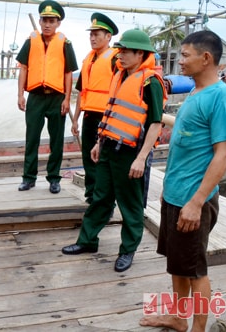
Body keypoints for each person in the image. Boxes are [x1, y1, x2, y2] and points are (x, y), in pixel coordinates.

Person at [140, 30, 226, 332]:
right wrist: (169, 190)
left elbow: (222, 155)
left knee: (195, 269)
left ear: (205, 58)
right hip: (175, 195)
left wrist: (196, 202)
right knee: (177, 263)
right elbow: (185, 148)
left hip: (194, 200)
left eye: (185, 55)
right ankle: (179, 318)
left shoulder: (221, 98)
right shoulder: (196, 92)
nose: (180, 61)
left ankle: (197, 328)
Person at [61, 29, 167, 273]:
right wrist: (99, 142)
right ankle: (87, 241)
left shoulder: (150, 82)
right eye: (119, 50)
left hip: (130, 152)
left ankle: (127, 250)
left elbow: (155, 123)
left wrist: (141, 158)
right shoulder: (119, 75)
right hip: (109, 147)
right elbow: (111, 114)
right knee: (100, 198)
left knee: (130, 204)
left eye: (126, 51)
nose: (120, 55)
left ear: (140, 54)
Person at [16, 0, 79, 194]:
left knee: (56, 140)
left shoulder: (65, 43)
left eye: (51, 20)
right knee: (32, 138)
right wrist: (20, 95)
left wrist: (67, 99)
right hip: (35, 96)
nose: (47, 24)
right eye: (44, 20)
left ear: (58, 23)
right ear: (40, 21)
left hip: (56, 97)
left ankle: (54, 178)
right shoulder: (31, 41)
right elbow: (24, 68)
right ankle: (29, 177)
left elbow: (69, 73)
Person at [72, 12, 119, 204]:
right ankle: (91, 194)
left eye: (97, 34)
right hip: (89, 116)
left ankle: (105, 197)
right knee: (88, 157)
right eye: (91, 34)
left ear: (108, 37)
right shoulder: (89, 60)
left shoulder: (116, 60)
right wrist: (75, 119)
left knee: (104, 158)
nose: (92, 37)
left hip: (106, 115)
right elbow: (82, 92)